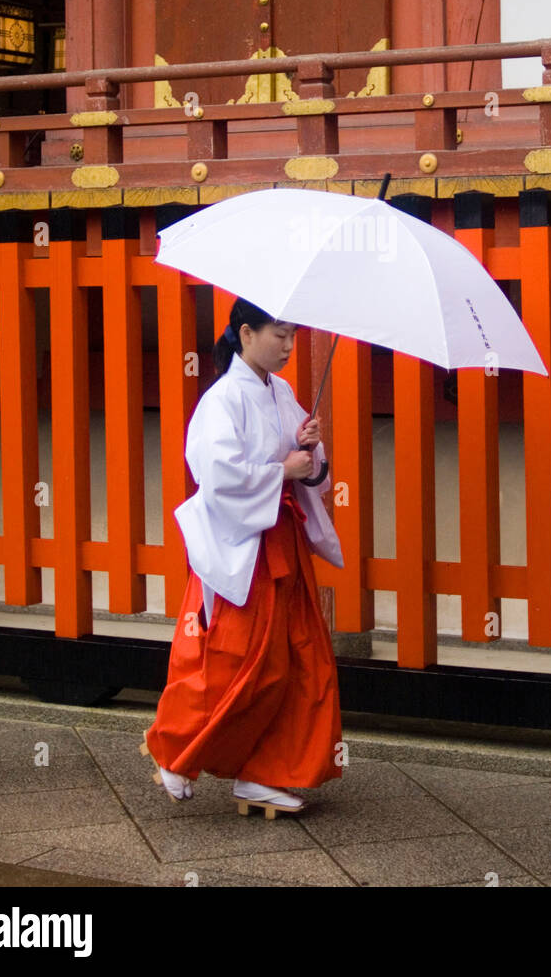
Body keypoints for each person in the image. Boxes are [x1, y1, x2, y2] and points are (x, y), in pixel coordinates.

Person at [142, 296, 345, 818]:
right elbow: (219, 474)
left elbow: (310, 469)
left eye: (292, 334)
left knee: (295, 658)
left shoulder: (282, 392)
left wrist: (310, 451)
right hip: (247, 544)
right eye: (278, 333)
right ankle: (175, 749)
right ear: (245, 333)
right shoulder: (222, 399)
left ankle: (267, 771)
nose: (287, 345)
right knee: (239, 659)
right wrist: (285, 470)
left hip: (282, 538)